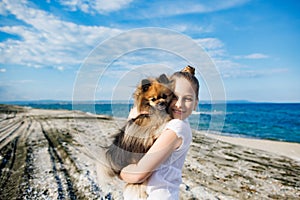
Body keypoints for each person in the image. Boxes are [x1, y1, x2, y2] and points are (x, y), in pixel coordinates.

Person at [120, 65, 199, 199]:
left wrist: (119, 171)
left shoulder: (177, 127)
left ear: (196, 103)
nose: (179, 104)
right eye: (174, 97)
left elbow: (138, 174)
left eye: (188, 99)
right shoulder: (167, 123)